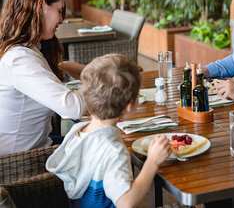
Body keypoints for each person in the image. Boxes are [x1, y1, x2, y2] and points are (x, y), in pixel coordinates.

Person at [46, 54, 171, 207]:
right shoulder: (113, 150)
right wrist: (152, 162)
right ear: (129, 106)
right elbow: (126, 202)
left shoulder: (77, 132)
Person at [0, 0, 86, 155]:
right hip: (23, 162)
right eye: (60, 10)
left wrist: (64, 66)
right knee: (101, 147)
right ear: (40, 6)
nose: (62, 19)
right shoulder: (20, 59)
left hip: (35, 147)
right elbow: (73, 108)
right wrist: (99, 78)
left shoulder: (22, 50)